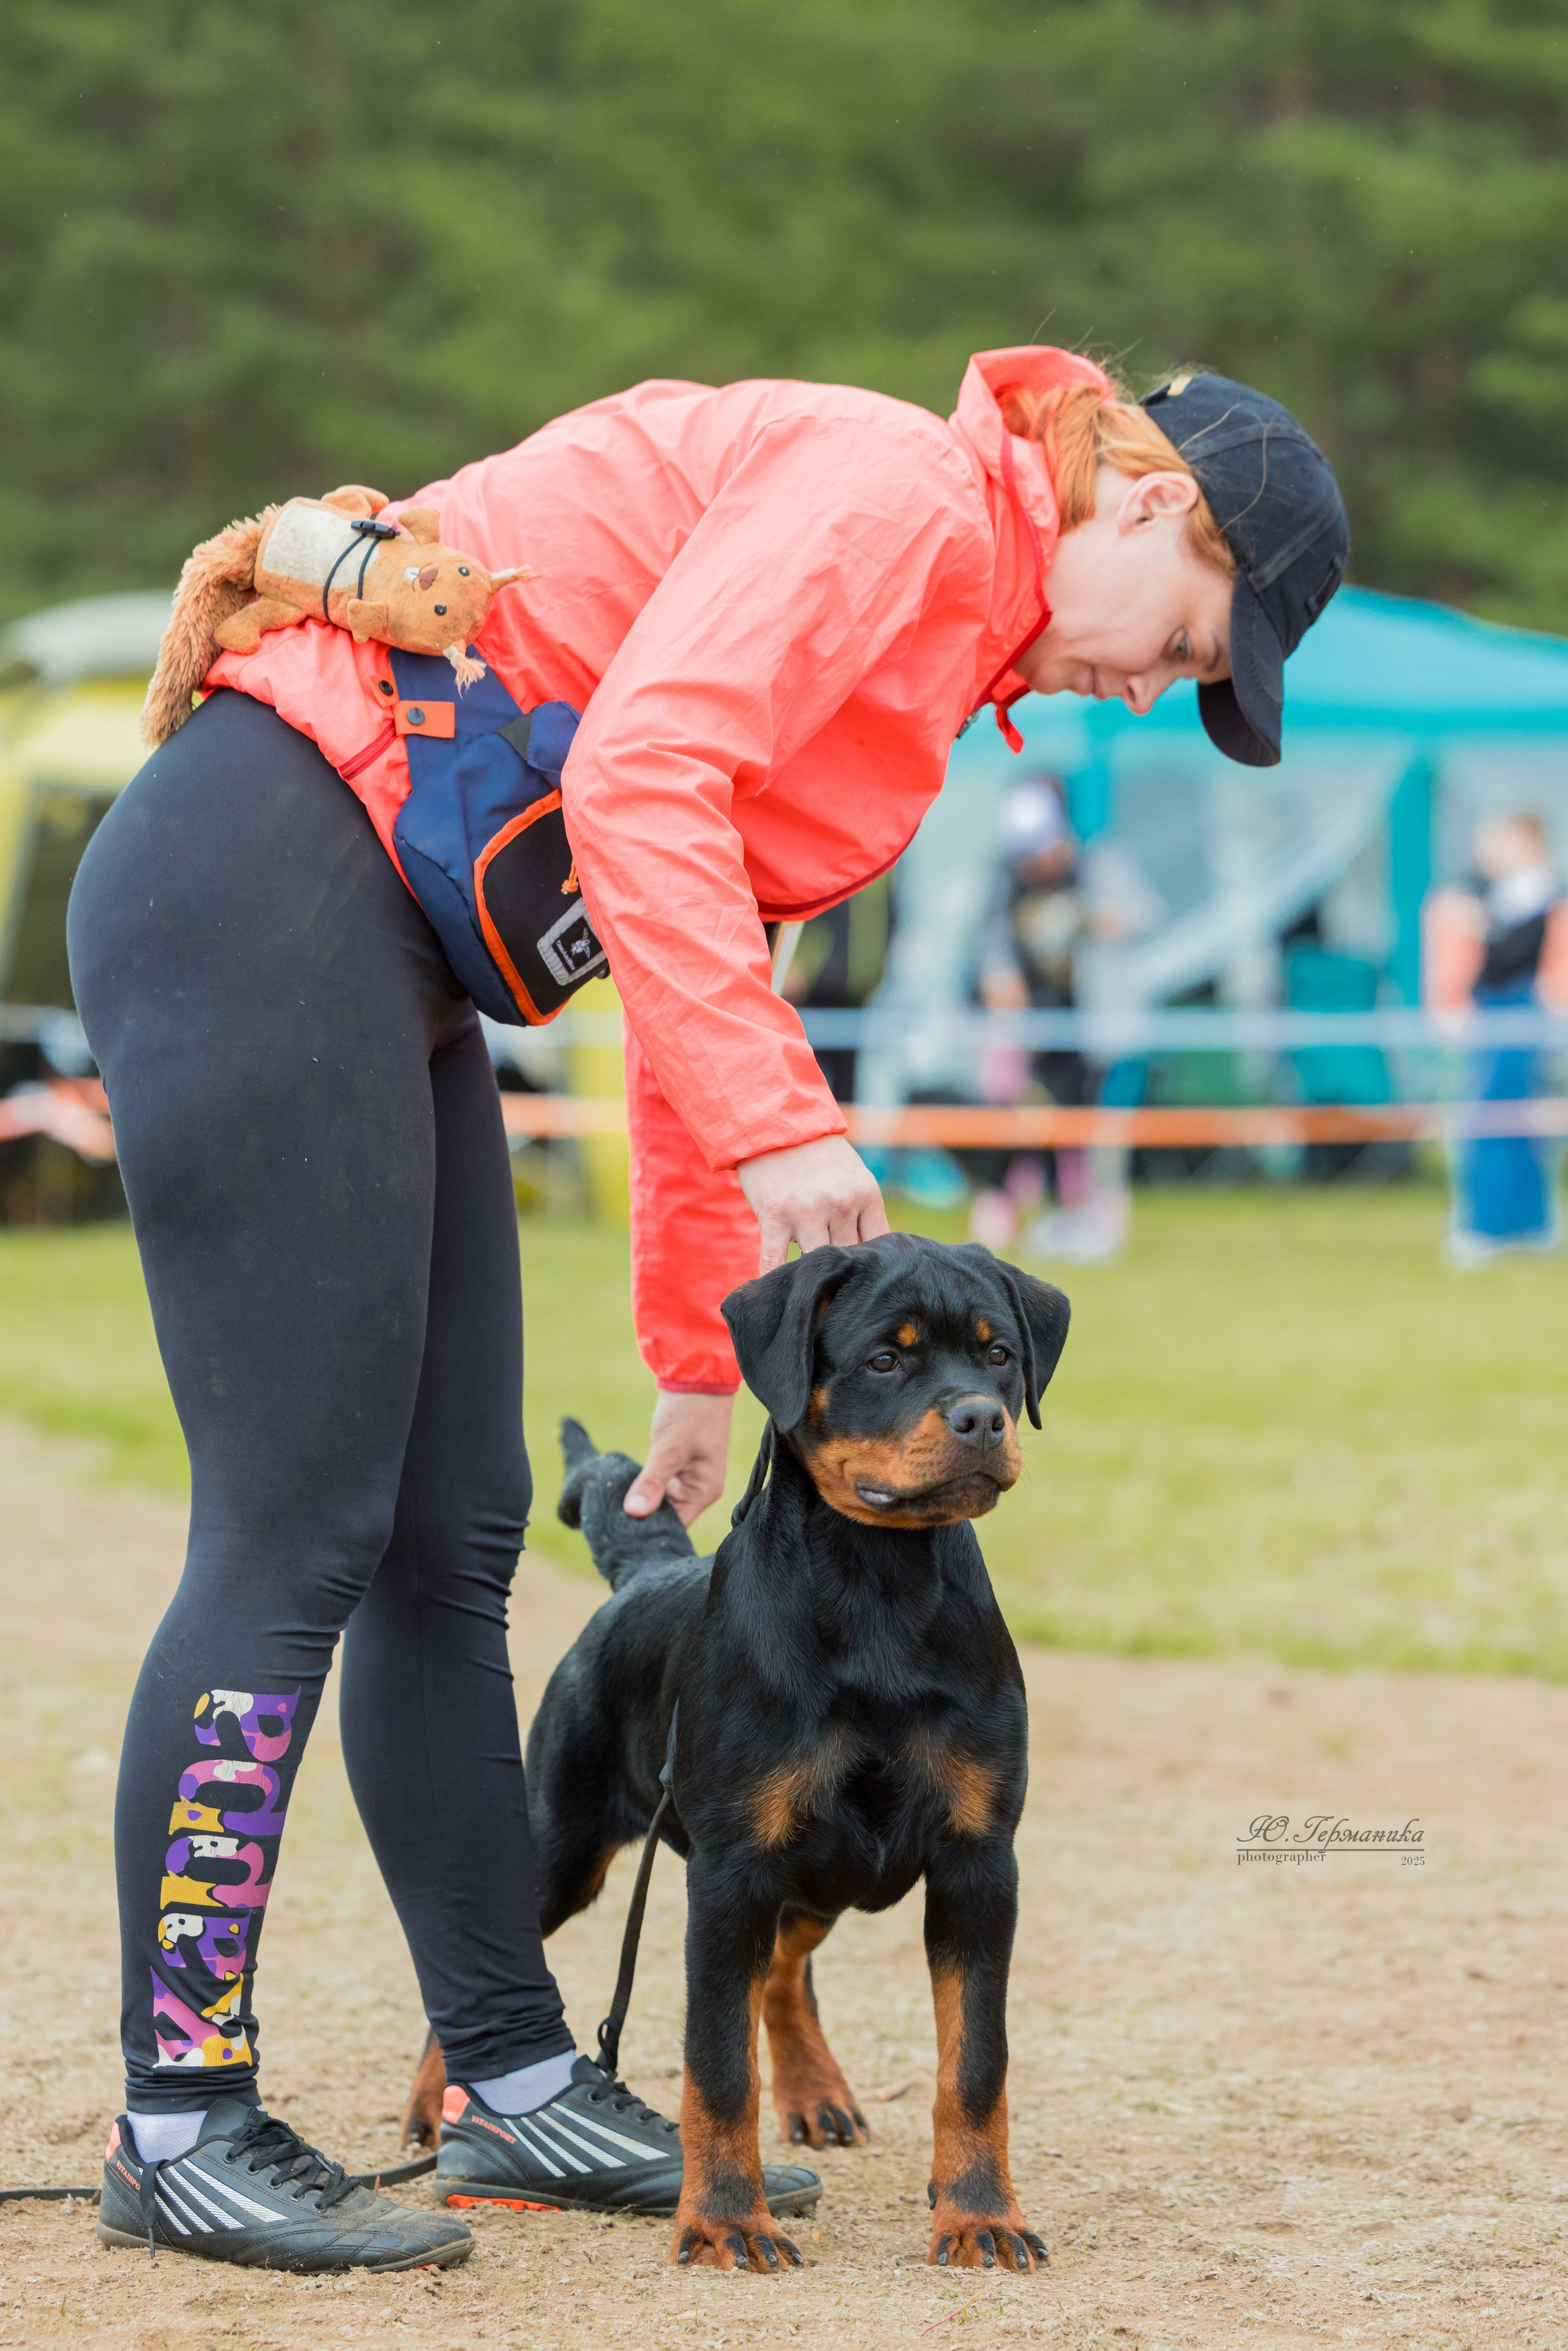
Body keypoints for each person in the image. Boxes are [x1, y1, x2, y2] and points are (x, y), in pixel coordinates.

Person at [70, 350, 1348, 2269]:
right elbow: (641, 769)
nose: (1164, 685)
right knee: (303, 1531)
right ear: (1155, 504)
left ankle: (512, 2078)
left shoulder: (929, 663)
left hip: (376, 947)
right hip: (263, 880)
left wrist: (696, 1346)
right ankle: (177, 2114)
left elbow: (701, 942)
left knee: (457, 1534)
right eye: (1193, 640)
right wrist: (786, 1134)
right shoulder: (901, 497)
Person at [970, 775, 1130, 1264]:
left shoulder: (1099, 869)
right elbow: (987, 945)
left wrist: (1106, 922)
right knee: (1026, 1118)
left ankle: (1092, 1217)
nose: (1033, 864)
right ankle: (1015, 1209)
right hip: (1030, 1032)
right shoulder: (1003, 883)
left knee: (1089, 1126)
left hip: (1091, 1026)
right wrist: (998, 979)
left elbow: (1140, 919)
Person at [1424, 812, 1568, 1266]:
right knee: (1495, 1121)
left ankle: (1497, 1225)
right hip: (1489, 1019)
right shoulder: (1483, 892)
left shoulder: (1545, 897)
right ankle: (1515, 1223)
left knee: (1497, 1121)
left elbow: (1514, 957)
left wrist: (1481, 926)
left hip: (1526, 1019)